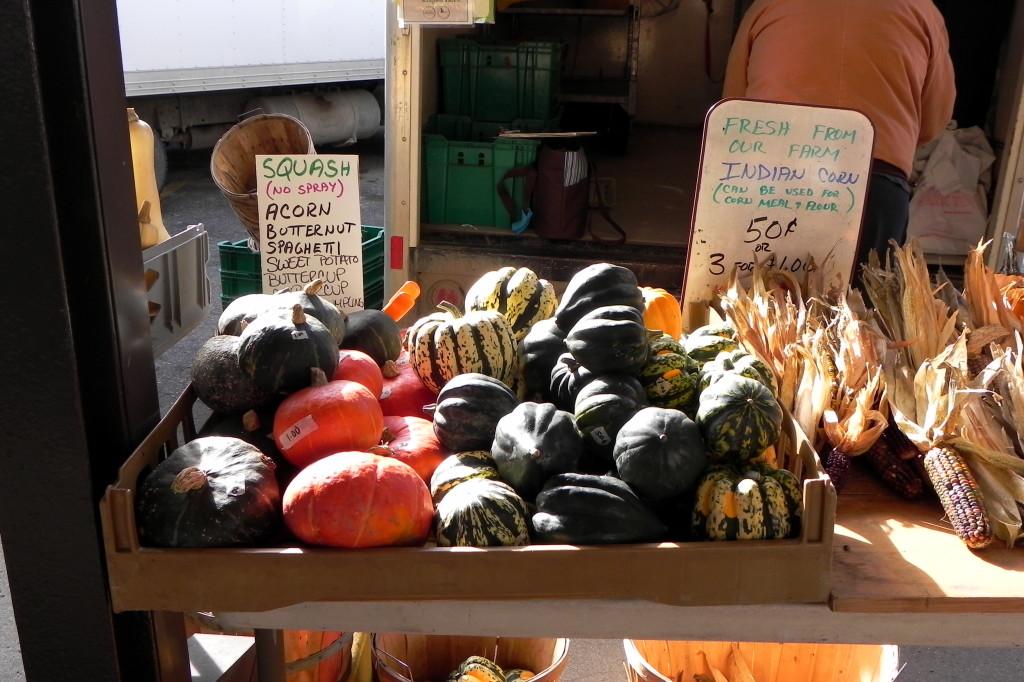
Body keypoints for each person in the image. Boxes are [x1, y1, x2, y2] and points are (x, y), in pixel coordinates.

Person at [722, 0, 956, 268]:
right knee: (864, 304)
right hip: (874, 182)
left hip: (772, 179)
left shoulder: (767, 5)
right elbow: (934, 120)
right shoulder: (921, 10)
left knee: (768, 302)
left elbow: (733, 108)